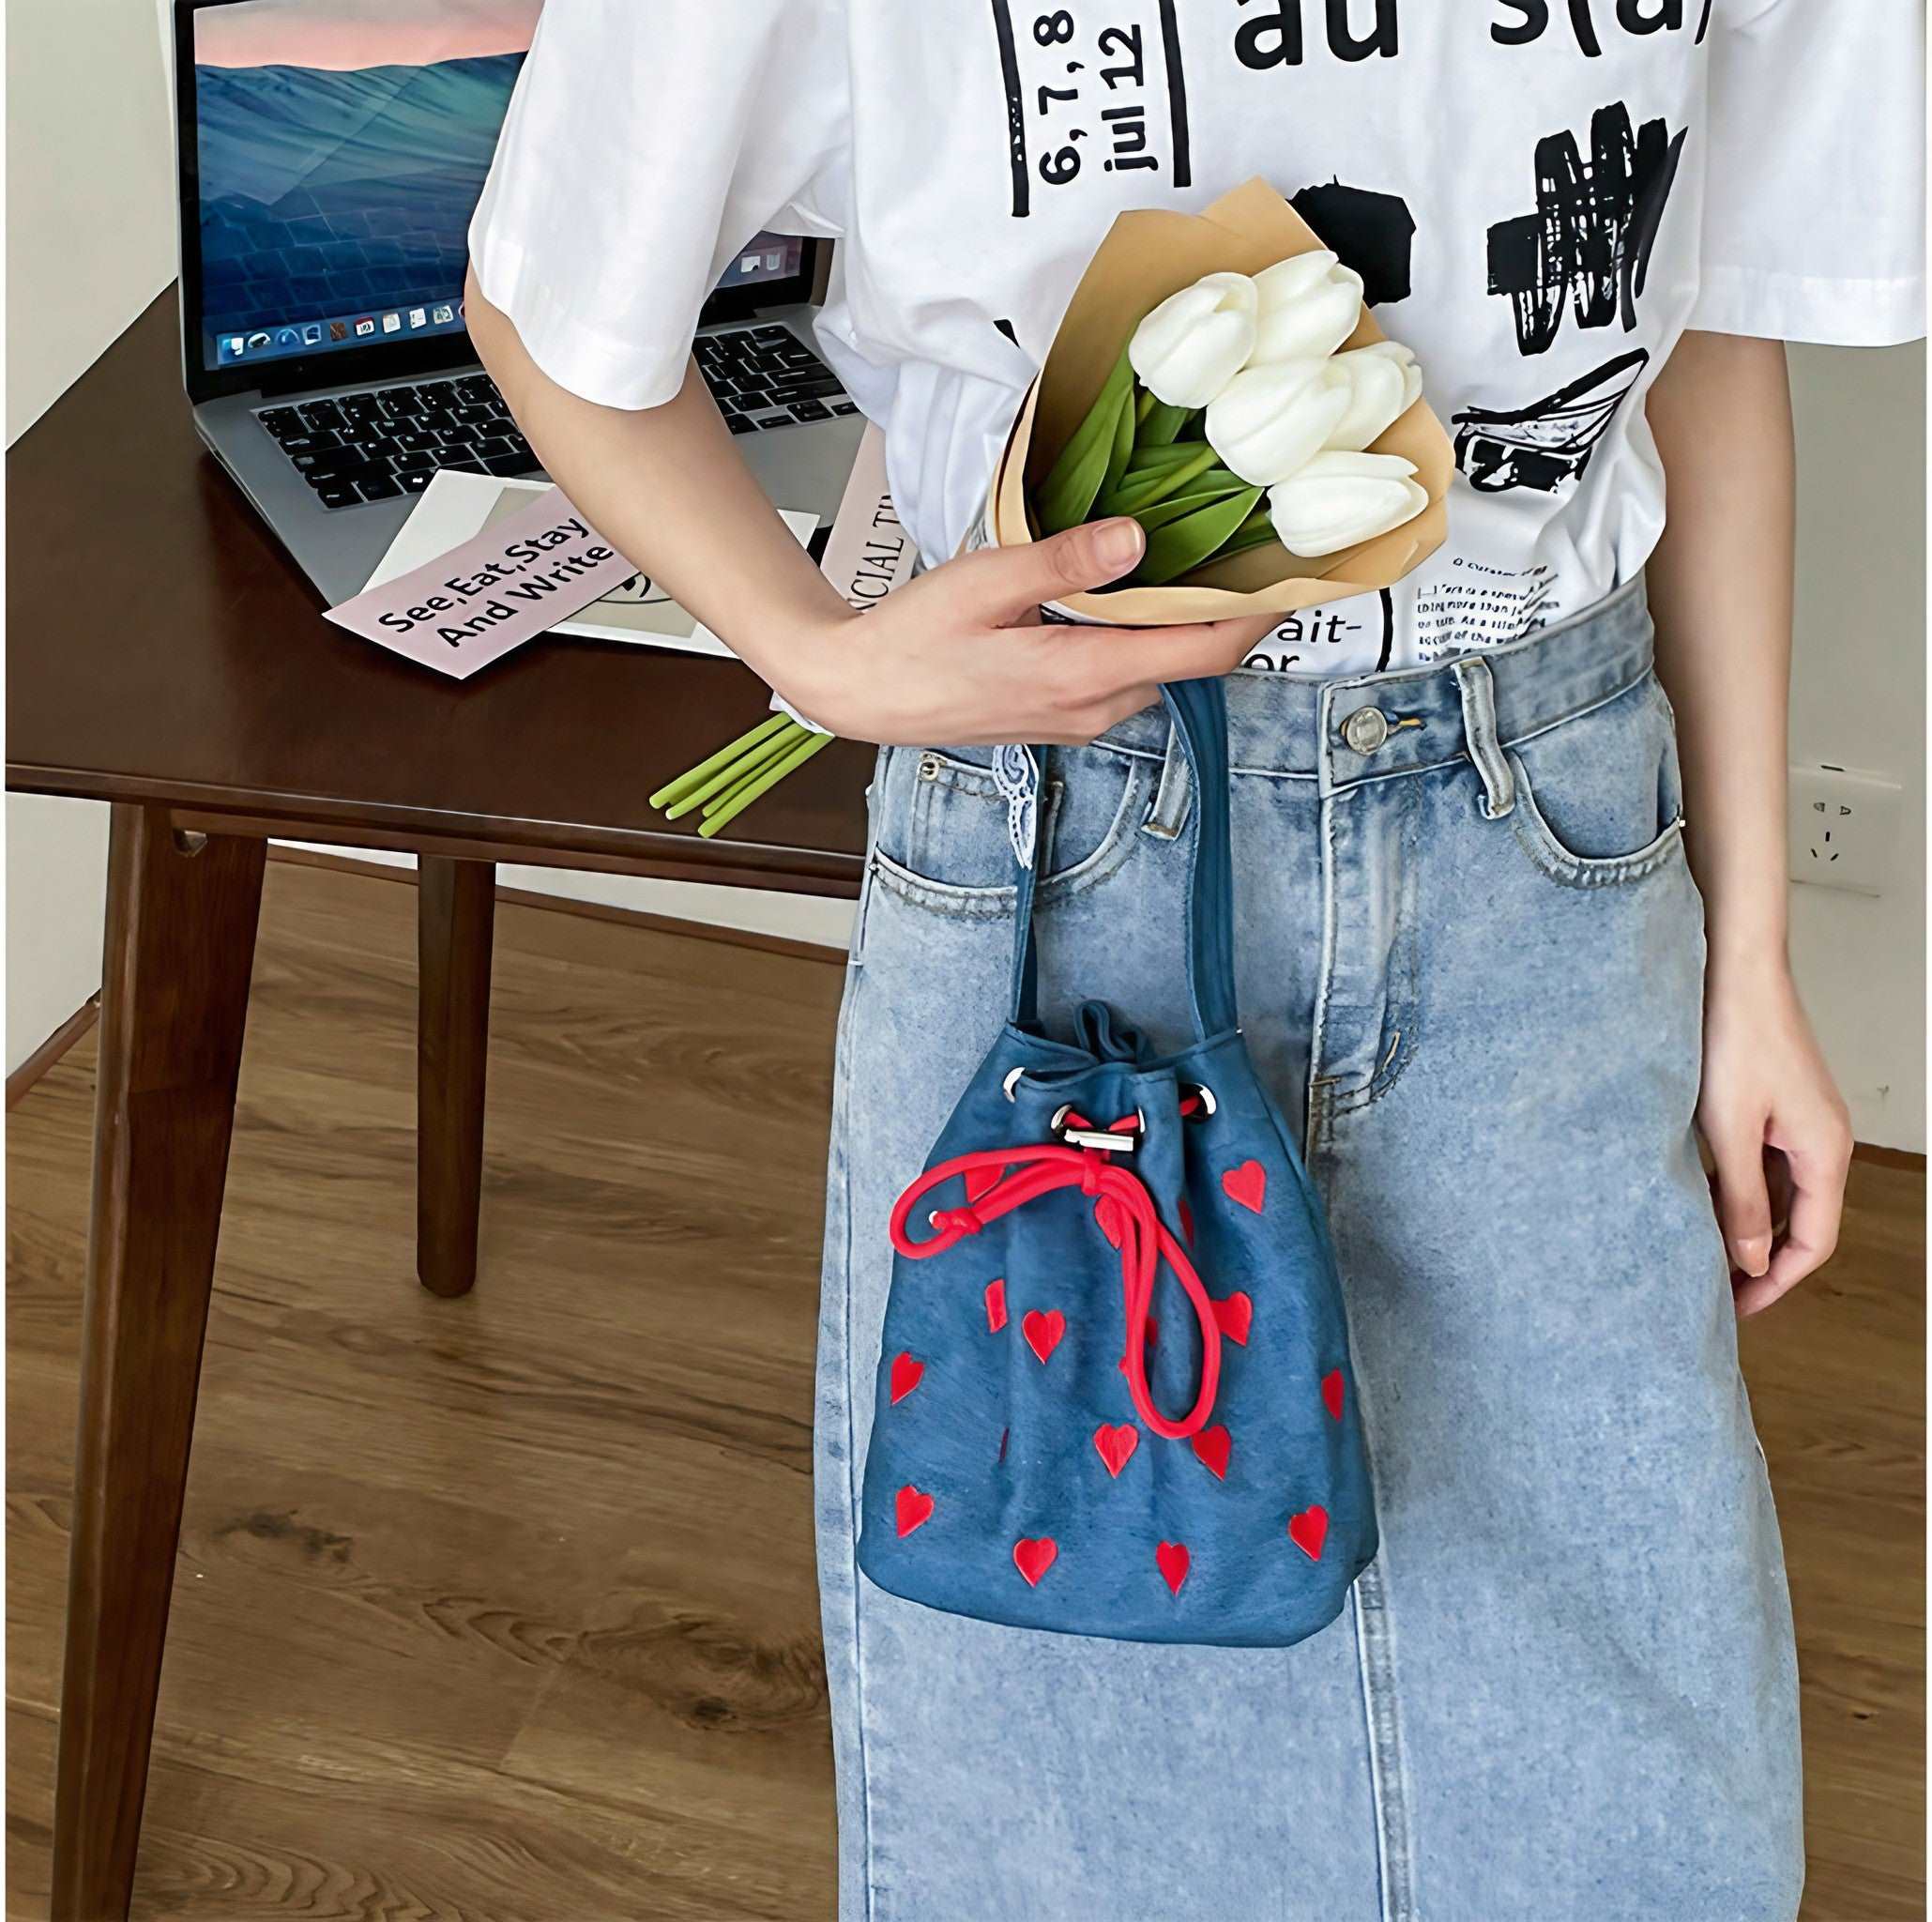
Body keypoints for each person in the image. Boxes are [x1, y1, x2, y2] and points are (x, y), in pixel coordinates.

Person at [464, 5, 1923, 1914]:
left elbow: (1704, 337)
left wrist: (1754, 965)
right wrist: (815, 652)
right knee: (1061, 1776)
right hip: (1069, 853)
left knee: (1638, 1787)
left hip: (1544, 832)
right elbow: (556, 293)